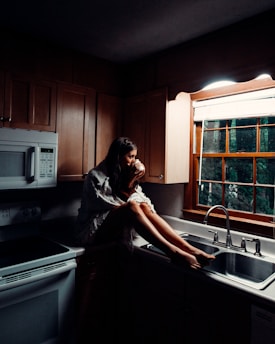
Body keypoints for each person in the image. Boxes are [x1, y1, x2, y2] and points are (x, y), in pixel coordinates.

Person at [75, 137, 215, 270]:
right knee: (132, 206)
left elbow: (141, 202)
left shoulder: (124, 173)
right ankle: (174, 253)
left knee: (143, 206)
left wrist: (132, 179)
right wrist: (131, 179)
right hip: (93, 231)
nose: (134, 161)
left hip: (113, 226)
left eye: (135, 156)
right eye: (131, 156)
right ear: (118, 156)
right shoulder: (95, 176)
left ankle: (190, 249)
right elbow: (115, 204)